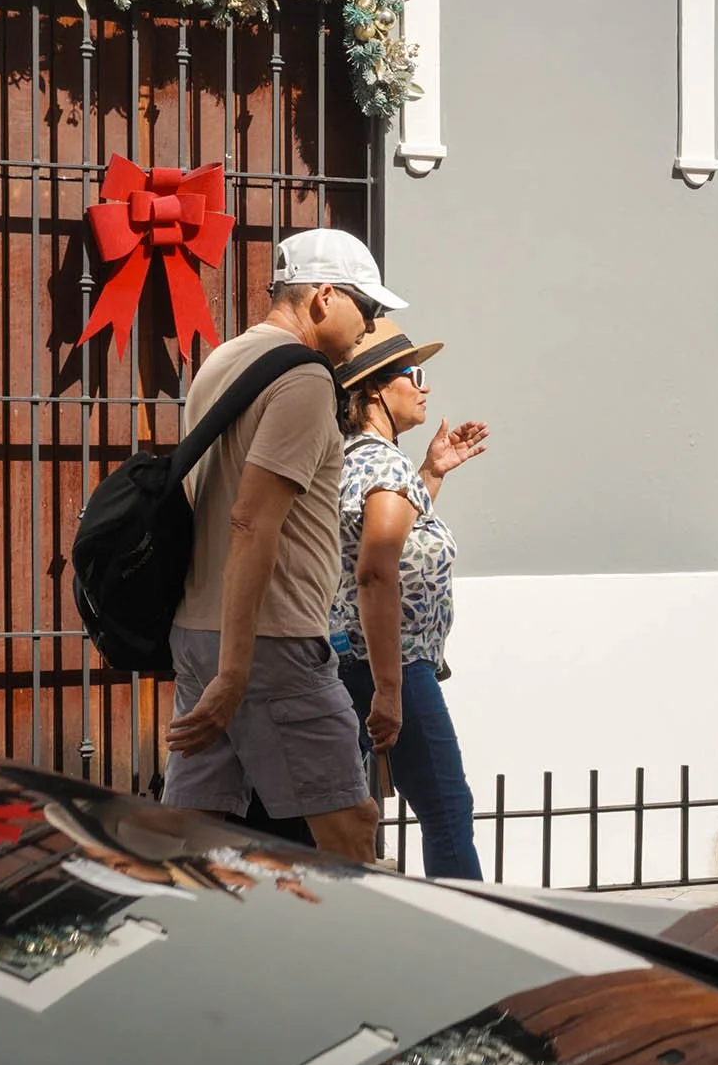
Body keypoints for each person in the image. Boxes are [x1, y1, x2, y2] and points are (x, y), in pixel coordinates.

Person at [161, 227, 396, 864]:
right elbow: (251, 521)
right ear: (324, 297)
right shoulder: (305, 379)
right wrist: (236, 672)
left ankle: (177, 925)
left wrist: (225, 667)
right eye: (367, 307)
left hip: (202, 628)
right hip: (273, 640)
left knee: (195, 833)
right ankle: (352, 938)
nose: (369, 326)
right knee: (350, 827)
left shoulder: (223, 360)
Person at [329, 319, 490, 880]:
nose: (427, 387)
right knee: (447, 809)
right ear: (377, 388)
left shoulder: (360, 458)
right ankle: (464, 926)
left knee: (349, 811)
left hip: (356, 658)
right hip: (393, 663)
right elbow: (376, 573)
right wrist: (391, 691)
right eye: (415, 375)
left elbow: (394, 541)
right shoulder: (383, 466)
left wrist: (430, 472)